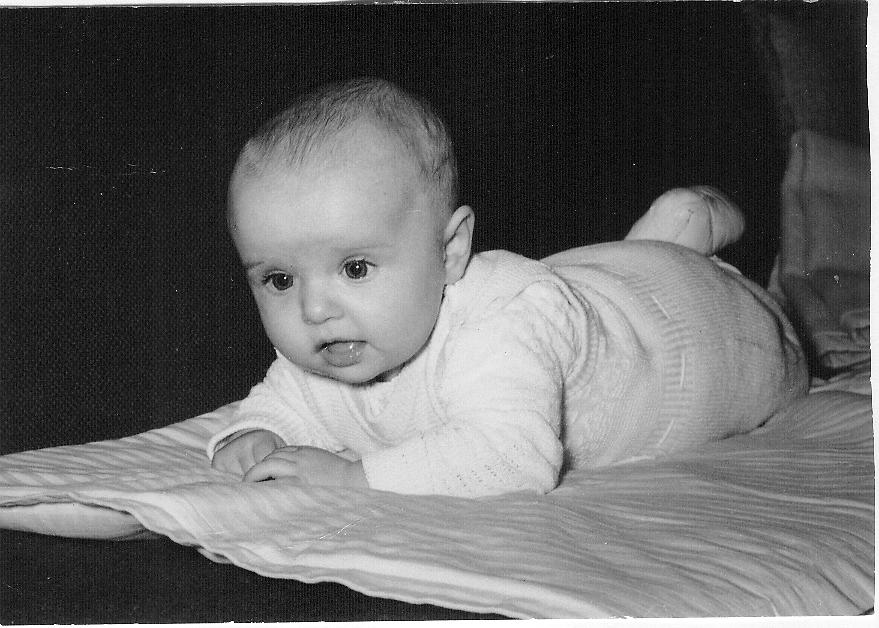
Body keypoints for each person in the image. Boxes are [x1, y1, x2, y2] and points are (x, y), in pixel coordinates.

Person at [208, 77, 807, 497]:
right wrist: (253, 436)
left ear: (451, 251)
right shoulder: (332, 343)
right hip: (583, 285)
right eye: (280, 279)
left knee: (713, 311)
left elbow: (512, 457)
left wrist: (353, 478)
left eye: (356, 268)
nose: (314, 309)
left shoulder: (499, 324)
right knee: (611, 271)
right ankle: (674, 233)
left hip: (704, 338)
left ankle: (697, 223)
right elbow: (284, 404)